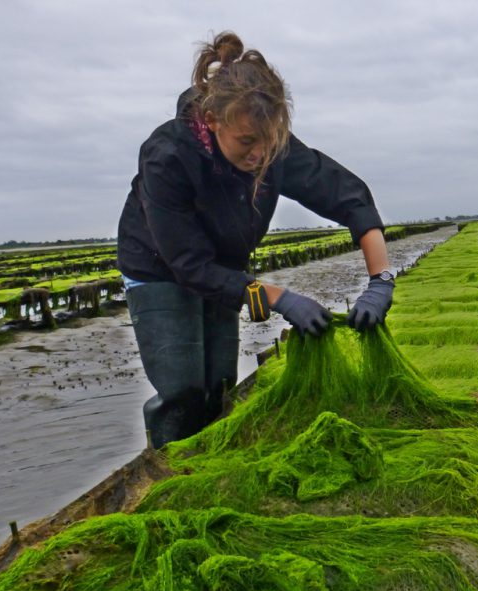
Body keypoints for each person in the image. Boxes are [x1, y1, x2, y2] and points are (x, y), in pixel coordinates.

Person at [117, 31, 394, 449]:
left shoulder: (272, 145)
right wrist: (281, 298)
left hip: (224, 269)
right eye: (247, 142)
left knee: (220, 385)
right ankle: (168, 468)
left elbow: (346, 196)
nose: (260, 155)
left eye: (269, 141)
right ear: (212, 122)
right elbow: (188, 266)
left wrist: (381, 280)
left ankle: (212, 458)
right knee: (183, 389)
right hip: (159, 267)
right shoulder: (169, 155)